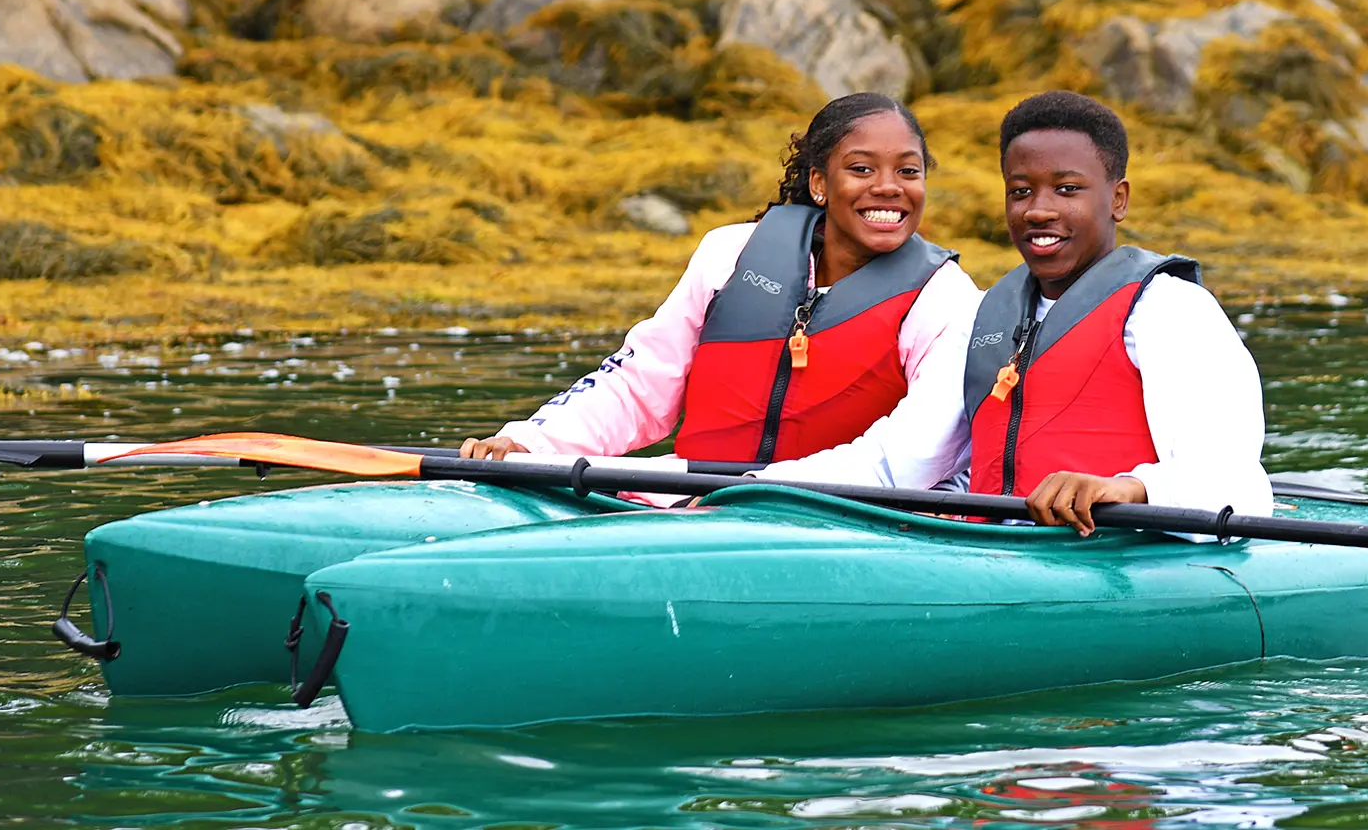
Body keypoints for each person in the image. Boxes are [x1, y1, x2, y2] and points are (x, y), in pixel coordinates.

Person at [459, 93, 980, 496]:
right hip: (691, 497)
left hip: (840, 517)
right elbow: (640, 381)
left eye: (908, 172)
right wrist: (533, 443)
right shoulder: (728, 254)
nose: (890, 187)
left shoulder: (947, 300)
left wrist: (759, 492)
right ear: (820, 183)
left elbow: (917, 453)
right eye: (862, 169)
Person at [961, 90, 1273, 534]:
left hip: (1115, 557)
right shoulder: (982, 314)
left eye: (1067, 189)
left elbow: (1237, 486)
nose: (1038, 210)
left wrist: (1128, 488)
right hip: (983, 551)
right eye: (1020, 191)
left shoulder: (1169, 310)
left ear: (1118, 199)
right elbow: (926, 457)